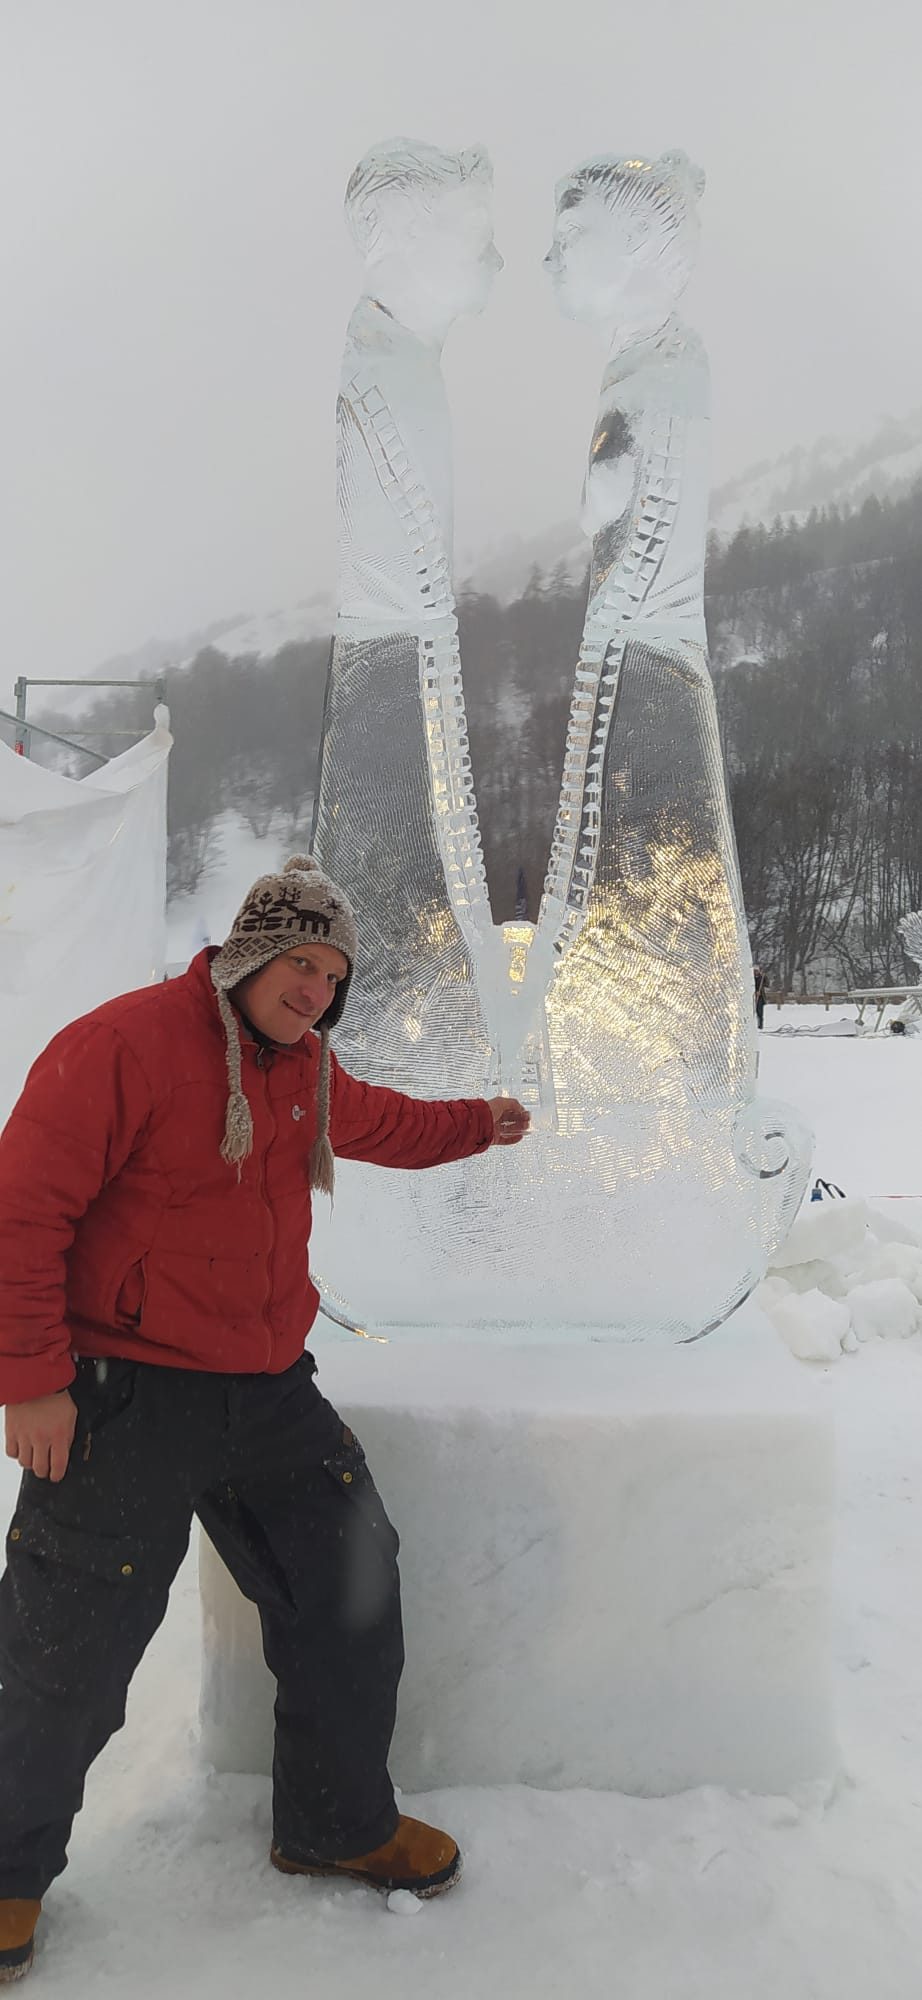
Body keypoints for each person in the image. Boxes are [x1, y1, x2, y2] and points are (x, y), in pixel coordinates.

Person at [0, 855, 530, 1983]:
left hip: (267, 1387)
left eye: (334, 974)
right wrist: (32, 1377)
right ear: (250, 951)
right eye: (302, 960)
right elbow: (22, 1206)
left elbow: (384, 1121)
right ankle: (2, 1871)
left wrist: (478, 1122)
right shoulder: (124, 1043)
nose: (317, 988)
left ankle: (334, 1823)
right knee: (67, 1648)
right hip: (120, 1390)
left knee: (351, 1581)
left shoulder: (305, 1071)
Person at [753, 964, 767, 1031]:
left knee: (760, 1012)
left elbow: (767, 984)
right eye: (755, 971)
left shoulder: (762, 978)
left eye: (757, 971)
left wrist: (764, 977)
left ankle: (760, 1025)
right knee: (753, 1011)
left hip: (760, 997)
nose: (756, 972)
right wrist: (755, 992)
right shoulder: (752, 978)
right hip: (753, 997)